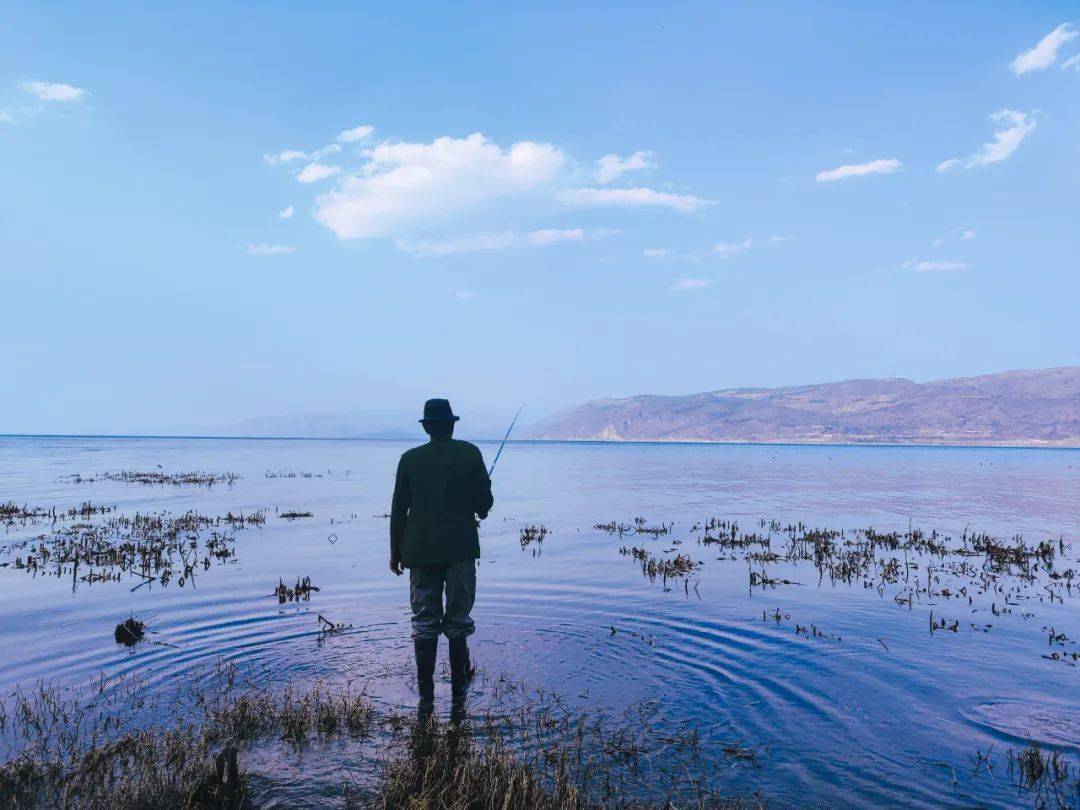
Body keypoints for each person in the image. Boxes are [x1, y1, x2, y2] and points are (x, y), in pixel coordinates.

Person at [390, 398, 494, 713]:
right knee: (458, 621)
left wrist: (395, 552)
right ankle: (459, 697)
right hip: (460, 549)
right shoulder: (470, 454)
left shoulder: (409, 459)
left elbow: (398, 511)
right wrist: (484, 494)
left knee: (424, 622)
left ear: (428, 427)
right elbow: (483, 506)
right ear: (451, 425)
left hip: (419, 552)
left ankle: (426, 698)